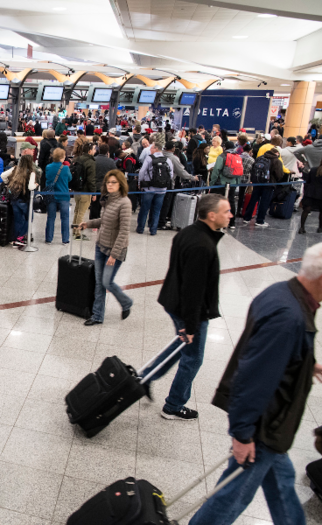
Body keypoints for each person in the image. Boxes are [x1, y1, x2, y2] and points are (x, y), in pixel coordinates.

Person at [189, 243, 322, 525]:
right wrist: (242, 434)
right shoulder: (289, 317)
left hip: (274, 428)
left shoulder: (282, 292)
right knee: (231, 499)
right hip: (264, 428)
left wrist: (307, 365)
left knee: (282, 486)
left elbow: (270, 354)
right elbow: (253, 378)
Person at [140, 194, 230, 420]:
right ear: (212, 215)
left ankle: (145, 376)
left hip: (173, 300)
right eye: (226, 211)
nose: (230, 215)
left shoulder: (189, 232)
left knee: (181, 346)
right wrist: (191, 326)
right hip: (190, 311)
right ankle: (173, 406)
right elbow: (194, 290)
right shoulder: (202, 245)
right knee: (193, 358)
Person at [79, 169, 133, 325]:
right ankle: (97, 315)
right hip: (100, 246)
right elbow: (104, 221)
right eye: (108, 182)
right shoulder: (107, 200)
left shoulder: (125, 203)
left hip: (114, 250)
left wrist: (114, 255)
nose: (110, 185)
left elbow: (123, 231)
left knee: (107, 282)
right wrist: (88, 224)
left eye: (113, 182)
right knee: (99, 282)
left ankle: (126, 302)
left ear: (120, 184)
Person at [136, 136, 173, 236]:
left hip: (149, 188)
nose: (150, 149)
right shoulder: (167, 160)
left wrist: (140, 183)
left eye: (151, 148)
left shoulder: (149, 158)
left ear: (156, 148)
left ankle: (140, 228)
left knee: (144, 209)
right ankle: (153, 230)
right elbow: (171, 175)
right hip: (162, 190)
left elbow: (142, 172)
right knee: (157, 210)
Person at [242, 147, 284, 228]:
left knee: (253, 200)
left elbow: (253, 169)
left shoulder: (260, 158)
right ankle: (260, 220)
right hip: (268, 184)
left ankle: (247, 218)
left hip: (257, 183)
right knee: (264, 202)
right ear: (277, 154)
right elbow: (279, 175)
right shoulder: (276, 161)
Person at [44, 147, 72, 245]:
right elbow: (69, 178)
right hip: (63, 195)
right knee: (65, 218)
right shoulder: (65, 168)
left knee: (51, 217)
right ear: (62, 157)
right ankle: (65, 239)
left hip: (51, 195)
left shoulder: (48, 167)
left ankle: (49, 238)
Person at [209, 140, 238, 230]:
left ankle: (217, 221)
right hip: (232, 183)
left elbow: (216, 170)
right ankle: (232, 222)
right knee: (231, 201)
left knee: (217, 201)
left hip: (221, 183)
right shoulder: (237, 157)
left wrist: (212, 183)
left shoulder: (222, 157)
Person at [71, 142, 97, 239]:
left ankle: (74, 230)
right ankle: (78, 233)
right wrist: (93, 192)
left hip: (77, 189)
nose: (95, 151)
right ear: (90, 151)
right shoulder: (91, 162)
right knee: (81, 212)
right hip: (85, 191)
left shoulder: (78, 159)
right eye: (94, 149)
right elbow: (91, 179)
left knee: (77, 211)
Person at [299, 163, 322, 234]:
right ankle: (320, 228)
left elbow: (308, 180)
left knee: (306, 210)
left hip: (311, 192)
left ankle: (302, 227)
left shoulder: (313, 169)